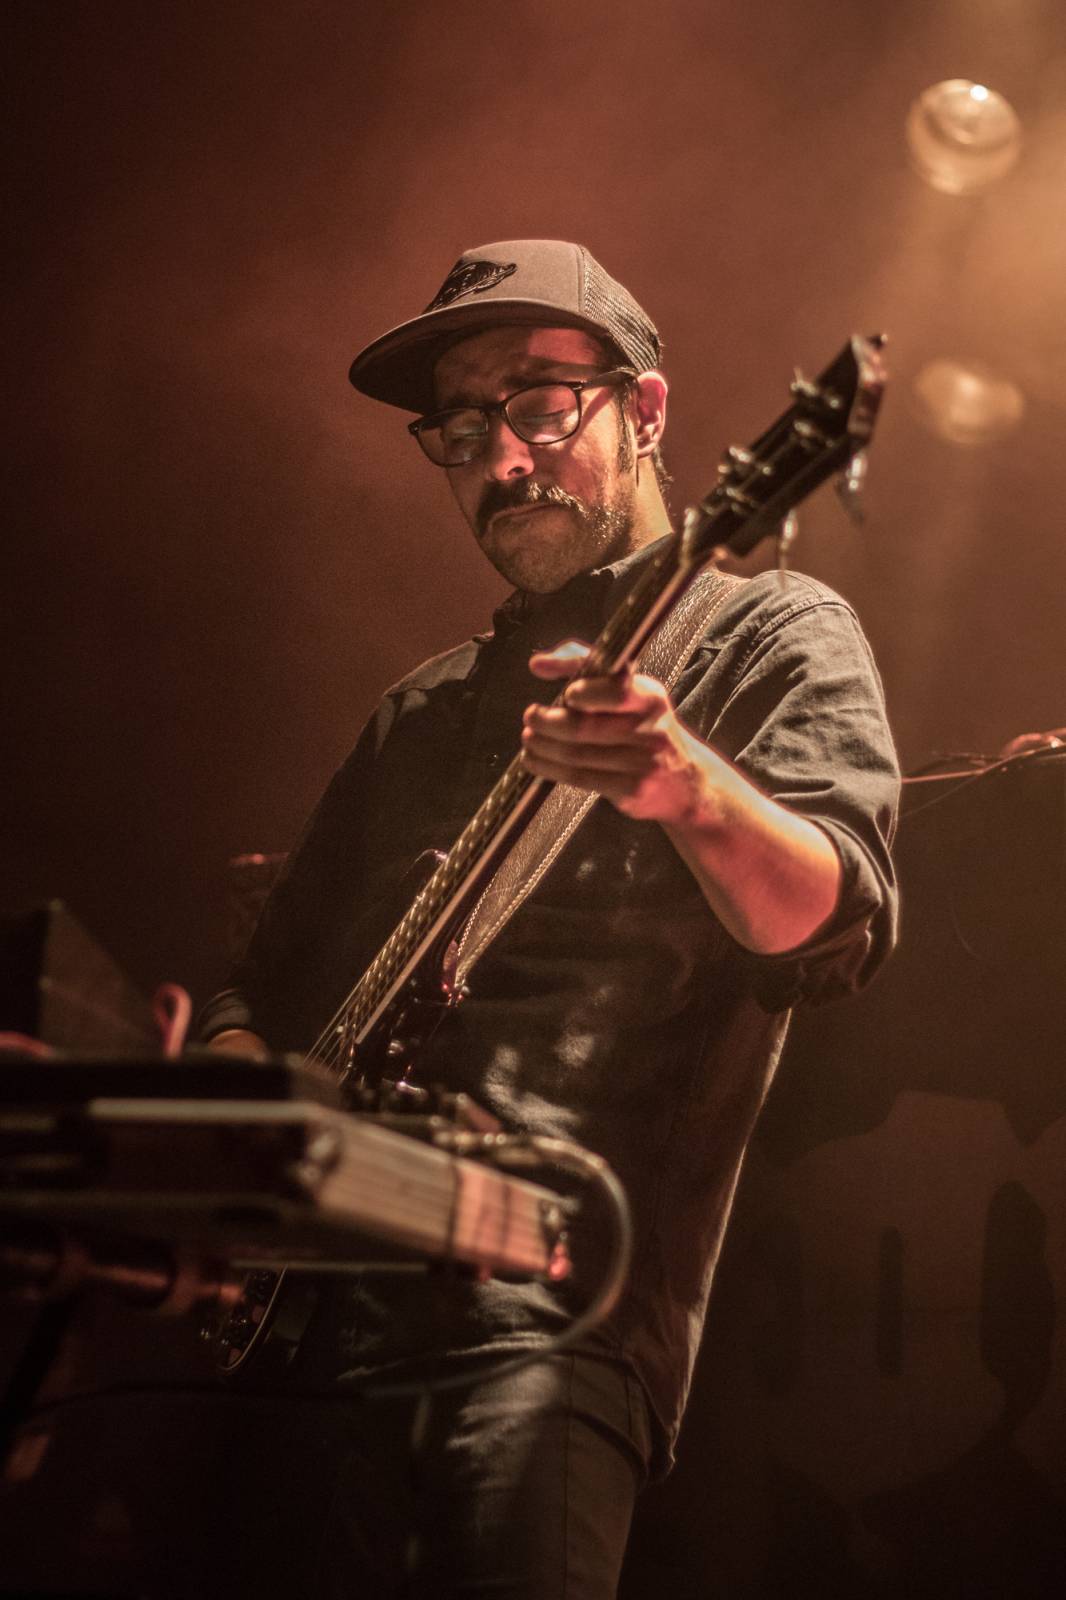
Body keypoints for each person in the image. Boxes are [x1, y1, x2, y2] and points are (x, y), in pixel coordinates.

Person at [199, 239, 900, 1599]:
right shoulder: (420, 709)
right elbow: (263, 982)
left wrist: (682, 782)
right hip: (289, 1333)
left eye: (538, 403)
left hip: (542, 1326)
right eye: (461, 430)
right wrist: (231, 1102)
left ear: (647, 411)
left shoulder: (772, 634)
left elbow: (827, 924)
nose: (502, 456)